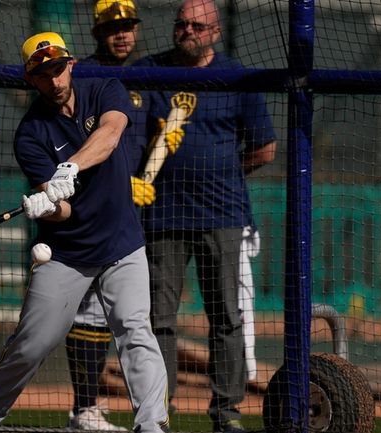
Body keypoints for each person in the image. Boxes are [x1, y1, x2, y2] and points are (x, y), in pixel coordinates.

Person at [0, 31, 169, 433]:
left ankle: (151, 426)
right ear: (30, 79)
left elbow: (110, 135)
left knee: (134, 327)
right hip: (67, 253)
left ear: (70, 64)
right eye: (42, 75)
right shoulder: (30, 134)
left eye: (58, 69)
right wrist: (46, 206)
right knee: (31, 345)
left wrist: (70, 167)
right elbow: (65, 210)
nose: (54, 81)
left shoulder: (104, 88)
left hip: (122, 244)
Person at [133, 1, 277, 432]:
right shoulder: (148, 71)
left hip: (222, 215)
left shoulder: (238, 79)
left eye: (197, 25)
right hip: (160, 217)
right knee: (157, 319)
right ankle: (157, 411)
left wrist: (226, 169)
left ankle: (227, 415)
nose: (187, 31)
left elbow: (264, 149)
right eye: (181, 24)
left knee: (226, 318)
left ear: (215, 33)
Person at [65, 1, 153, 431]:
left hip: (132, 214)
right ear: (98, 31)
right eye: (112, 27)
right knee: (81, 309)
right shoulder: (80, 74)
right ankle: (84, 407)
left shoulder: (150, 75)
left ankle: (142, 414)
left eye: (128, 27)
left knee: (122, 314)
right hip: (86, 206)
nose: (122, 34)